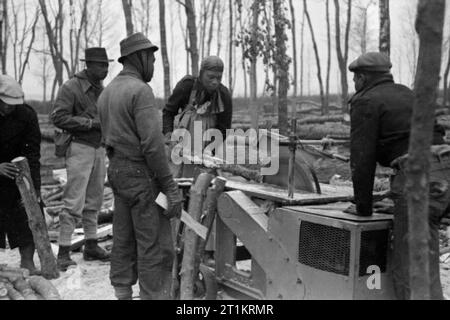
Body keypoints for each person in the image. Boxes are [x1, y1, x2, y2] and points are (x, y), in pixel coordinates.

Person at [347, 52, 448, 300]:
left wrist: (363, 207)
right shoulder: (409, 94)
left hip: (417, 181)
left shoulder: (366, 100)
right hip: (444, 175)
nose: (354, 85)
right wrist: (395, 196)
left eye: (355, 80)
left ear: (361, 78)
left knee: (409, 272)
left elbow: (362, 159)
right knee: (426, 263)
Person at [97, 32, 182, 300]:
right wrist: (169, 187)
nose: (153, 66)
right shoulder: (140, 91)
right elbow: (153, 146)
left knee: (123, 240)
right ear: (140, 57)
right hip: (141, 175)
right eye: (152, 59)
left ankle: (122, 293)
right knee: (154, 245)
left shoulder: (107, 92)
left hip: (118, 172)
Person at [50, 48, 112, 271]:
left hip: (98, 148)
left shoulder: (101, 89)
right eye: (101, 65)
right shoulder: (71, 87)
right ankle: (64, 250)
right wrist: (89, 124)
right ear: (89, 65)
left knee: (94, 199)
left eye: (107, 65)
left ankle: (92, 244)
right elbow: (57, 116)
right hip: (78, 146)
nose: (105, 70)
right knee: (73, 199)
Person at [162, 56, 233, 175]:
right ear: (201, 73)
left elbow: (224, 130)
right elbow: (168, 112)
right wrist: (169, 137)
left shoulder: (224, 95)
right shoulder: (187, 86)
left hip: (206, 155)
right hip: (180, 150)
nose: (215, 82)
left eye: (218, 77)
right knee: (173, 186)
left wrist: (210, 152)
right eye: (210, 77)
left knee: (205, 187)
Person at [0, 75, 41, 274]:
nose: (10, 108)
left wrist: (35, 187)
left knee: (28, 216)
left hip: (18, 174)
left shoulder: (26, 115)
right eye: (6, 104)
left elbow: (33, 153)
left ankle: (27, 262)